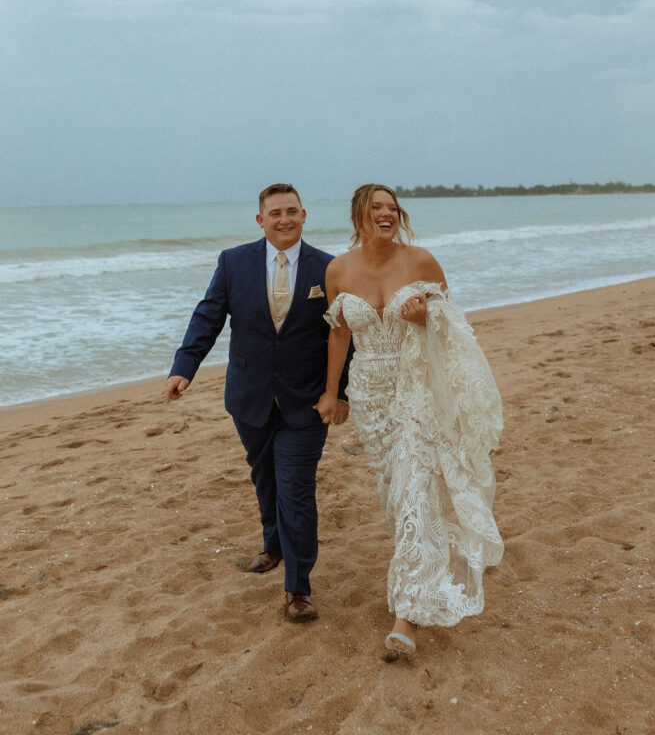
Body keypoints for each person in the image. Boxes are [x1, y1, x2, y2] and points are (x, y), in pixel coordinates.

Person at [316, 184, 503, 660]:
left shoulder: (421, 262)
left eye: (392, 208)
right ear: (359, 214)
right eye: (376, 207)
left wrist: (423, 320)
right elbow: (339, 335)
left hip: (416, 386)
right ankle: (425, 564)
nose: (387, 213)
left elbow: (454, 330)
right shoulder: (338, 269)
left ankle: (407, 613)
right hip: (370, 393)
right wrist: (332, 393)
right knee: (395, 491)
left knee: (417, 484)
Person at [164, 183, 349, 623]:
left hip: (307, 402)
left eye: (291, 211)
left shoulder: (330, 268)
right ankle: (272, 547)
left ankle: (298, 589)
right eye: (274, 213)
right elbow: (208, 315)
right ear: (260, 220)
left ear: (304, 215)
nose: (283, 219)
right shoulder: (233, 262)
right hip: (249, 397)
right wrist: (183, 368)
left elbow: (346, 333)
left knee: (296, 489)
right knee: (264, 476)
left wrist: (337, 393)